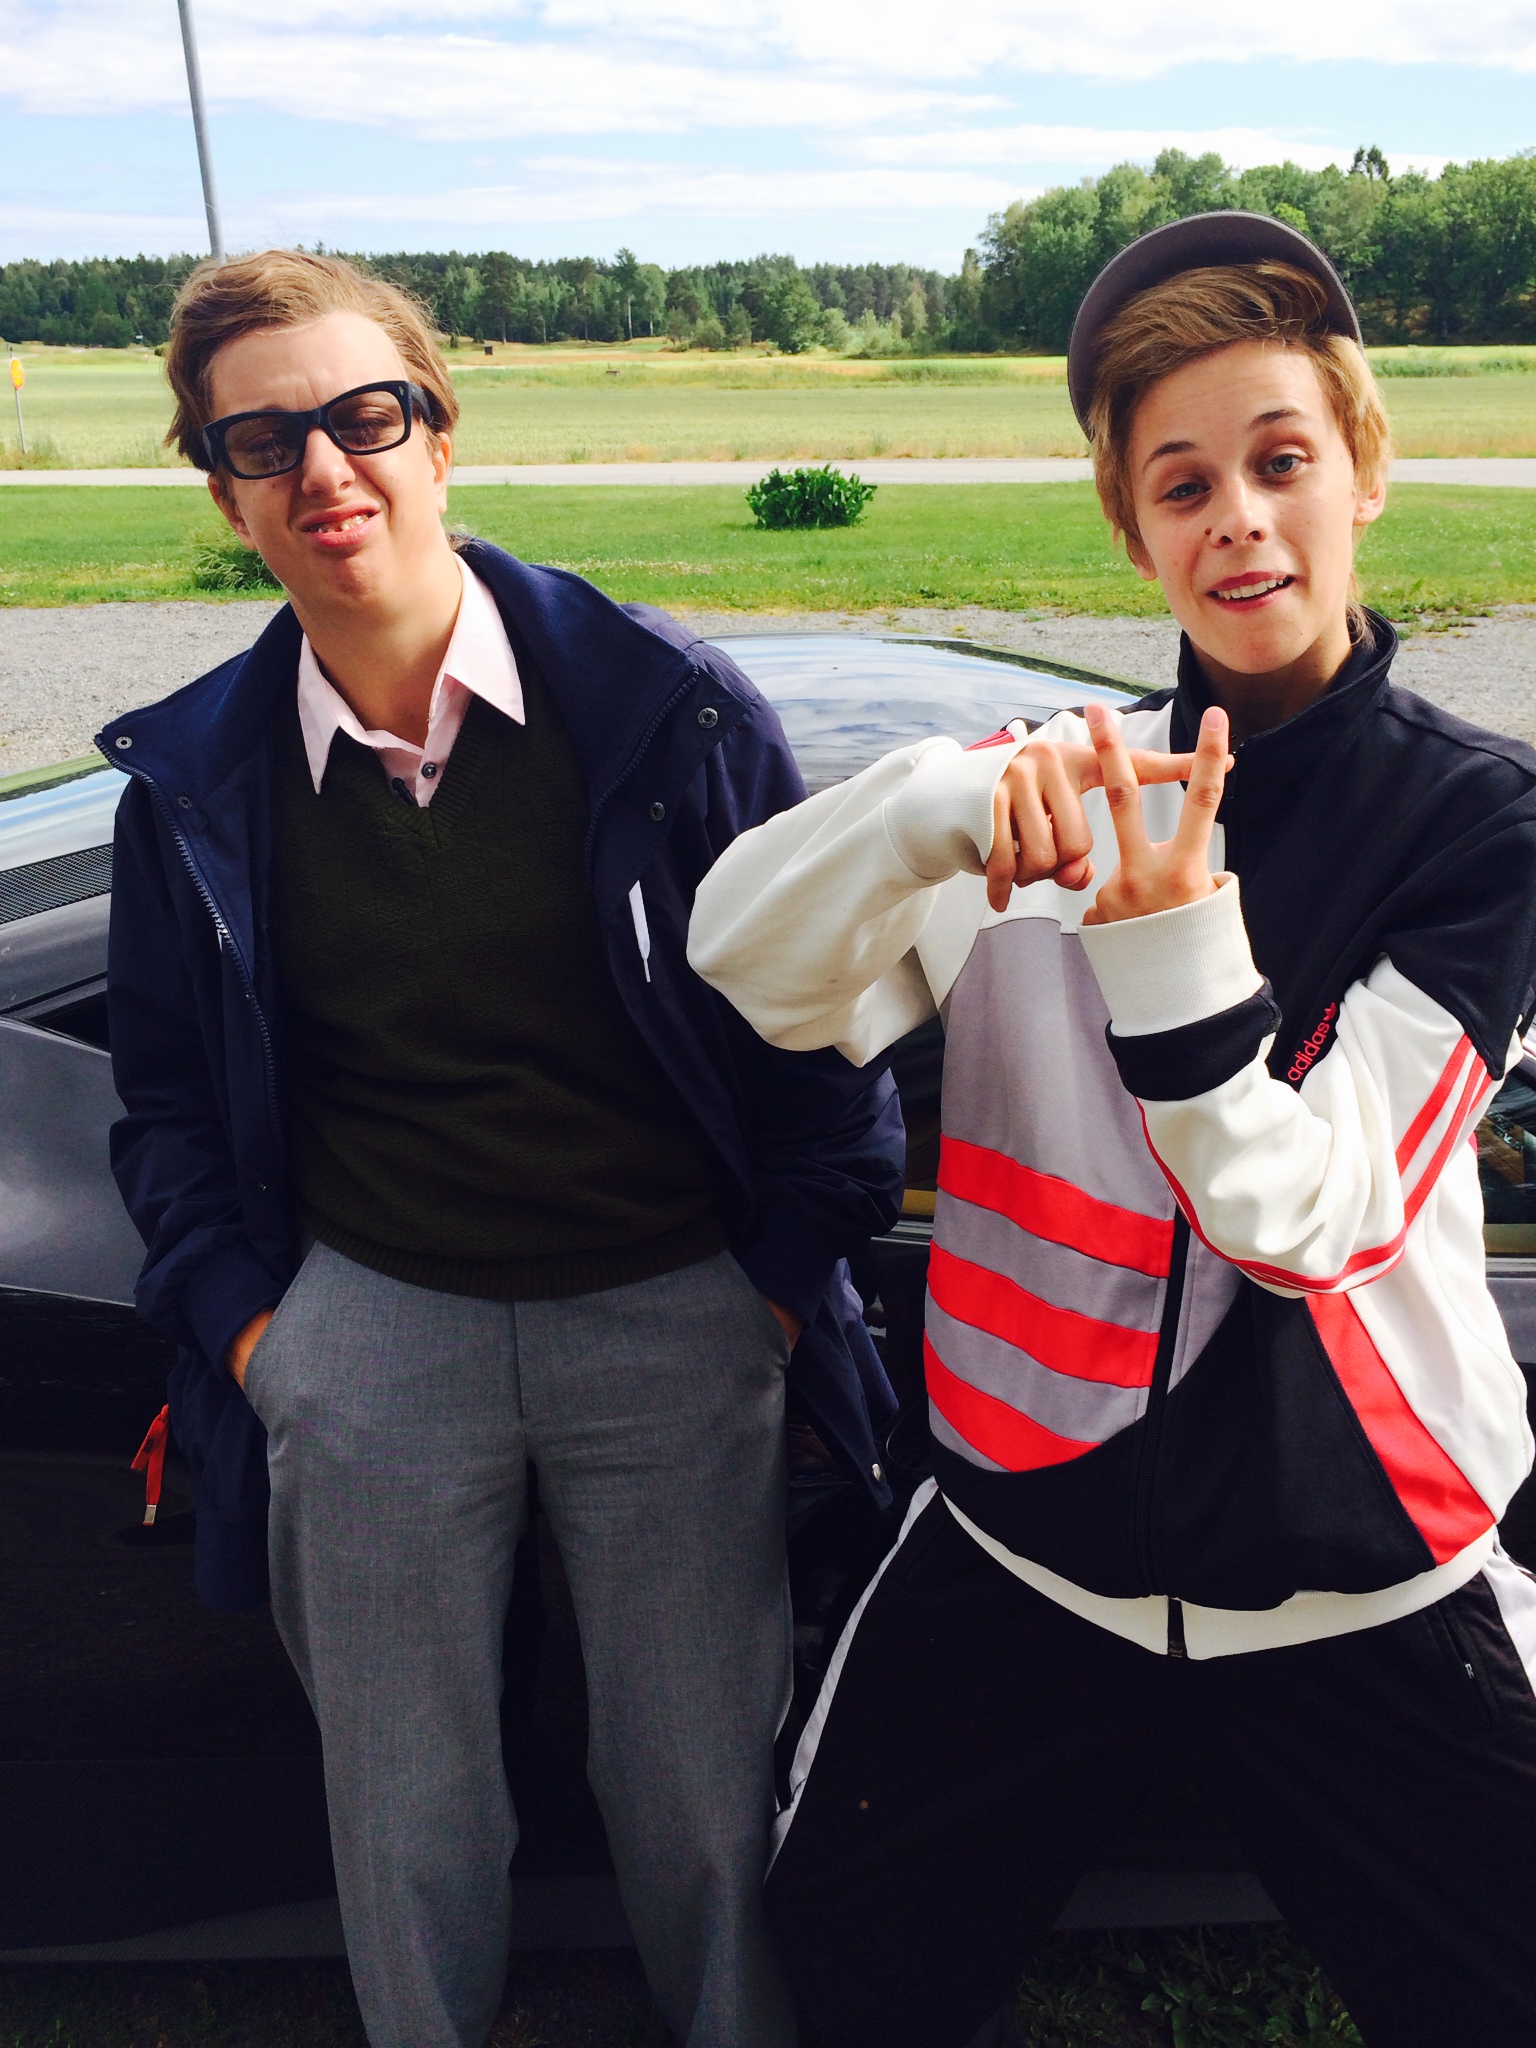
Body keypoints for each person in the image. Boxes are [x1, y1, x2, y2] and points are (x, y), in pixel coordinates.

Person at [687, 212, 1536, 2048]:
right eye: (1184, 484)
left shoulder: (1483, 825)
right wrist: (923, 810)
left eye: (1281, 461)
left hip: (1361, 1582)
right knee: (842, 1967)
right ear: (1134, 529)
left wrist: (1167, 948)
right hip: (1023, 1557)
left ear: (1365, 473)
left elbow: (1309, 1218)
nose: (1240, 517)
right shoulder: (1045, 785)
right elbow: (747, 968)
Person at [100, 248, 904, 2048]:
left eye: (364, 417)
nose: (325, 470)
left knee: (699, 1801)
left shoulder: (668, 710)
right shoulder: (199, 779)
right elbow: (164, 1099)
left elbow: (826, 1029)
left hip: (677, 1320)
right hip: (373, 1332)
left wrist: (771, 1296)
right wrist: (261, 1337)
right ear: (223, 492)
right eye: (263, 440)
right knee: (408, 1821)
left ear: (441, 435)